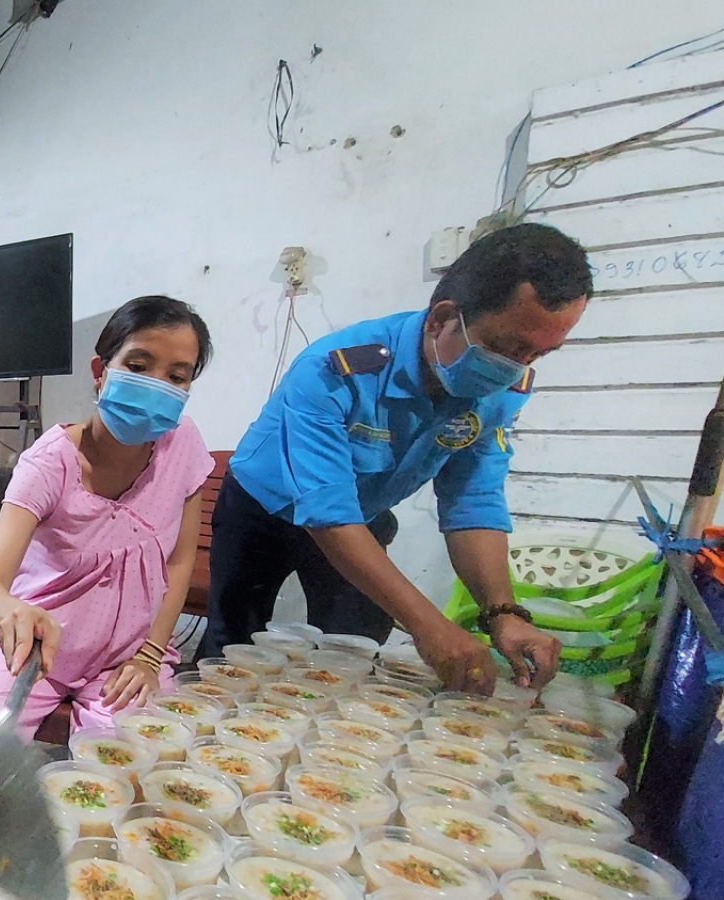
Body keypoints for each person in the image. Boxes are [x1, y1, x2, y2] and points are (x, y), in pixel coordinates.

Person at [194, 224, 590, 696]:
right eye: (506, 347)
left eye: (538, 354)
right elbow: (328, 513)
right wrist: (430, 625)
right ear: (443, 318)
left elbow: (472, 499)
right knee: (229, 645)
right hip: (263, 511)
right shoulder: (335, 370)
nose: (516, 367)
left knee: (354, 657)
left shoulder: (499, 392)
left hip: (361, 516)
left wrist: (503, 613)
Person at [0, 296, 216, 740]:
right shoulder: (49, 464)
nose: (156, 385)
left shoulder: (183, 445)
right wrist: (9, 615)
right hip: (32, 648)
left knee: (137, 763)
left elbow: (178, 560)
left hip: (126, 655)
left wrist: (150, 655)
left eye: (176, 377)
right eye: (138, 365)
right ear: (100, 372)